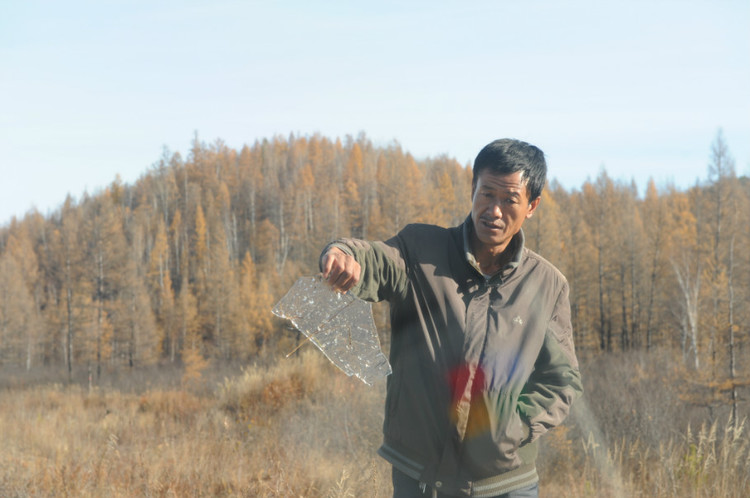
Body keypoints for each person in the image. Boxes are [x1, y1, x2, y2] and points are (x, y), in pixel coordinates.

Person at [320, 139, 583, 498]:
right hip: (420, 477)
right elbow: (375, 260)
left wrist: (513, 429)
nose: (494, 210)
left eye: (509, 200)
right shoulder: (421, 251)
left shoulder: (546, 285)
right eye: (486, 194)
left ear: (532, 206)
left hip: (505, 483)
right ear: (472, 189)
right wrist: (342, 253)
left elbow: (561, 381)